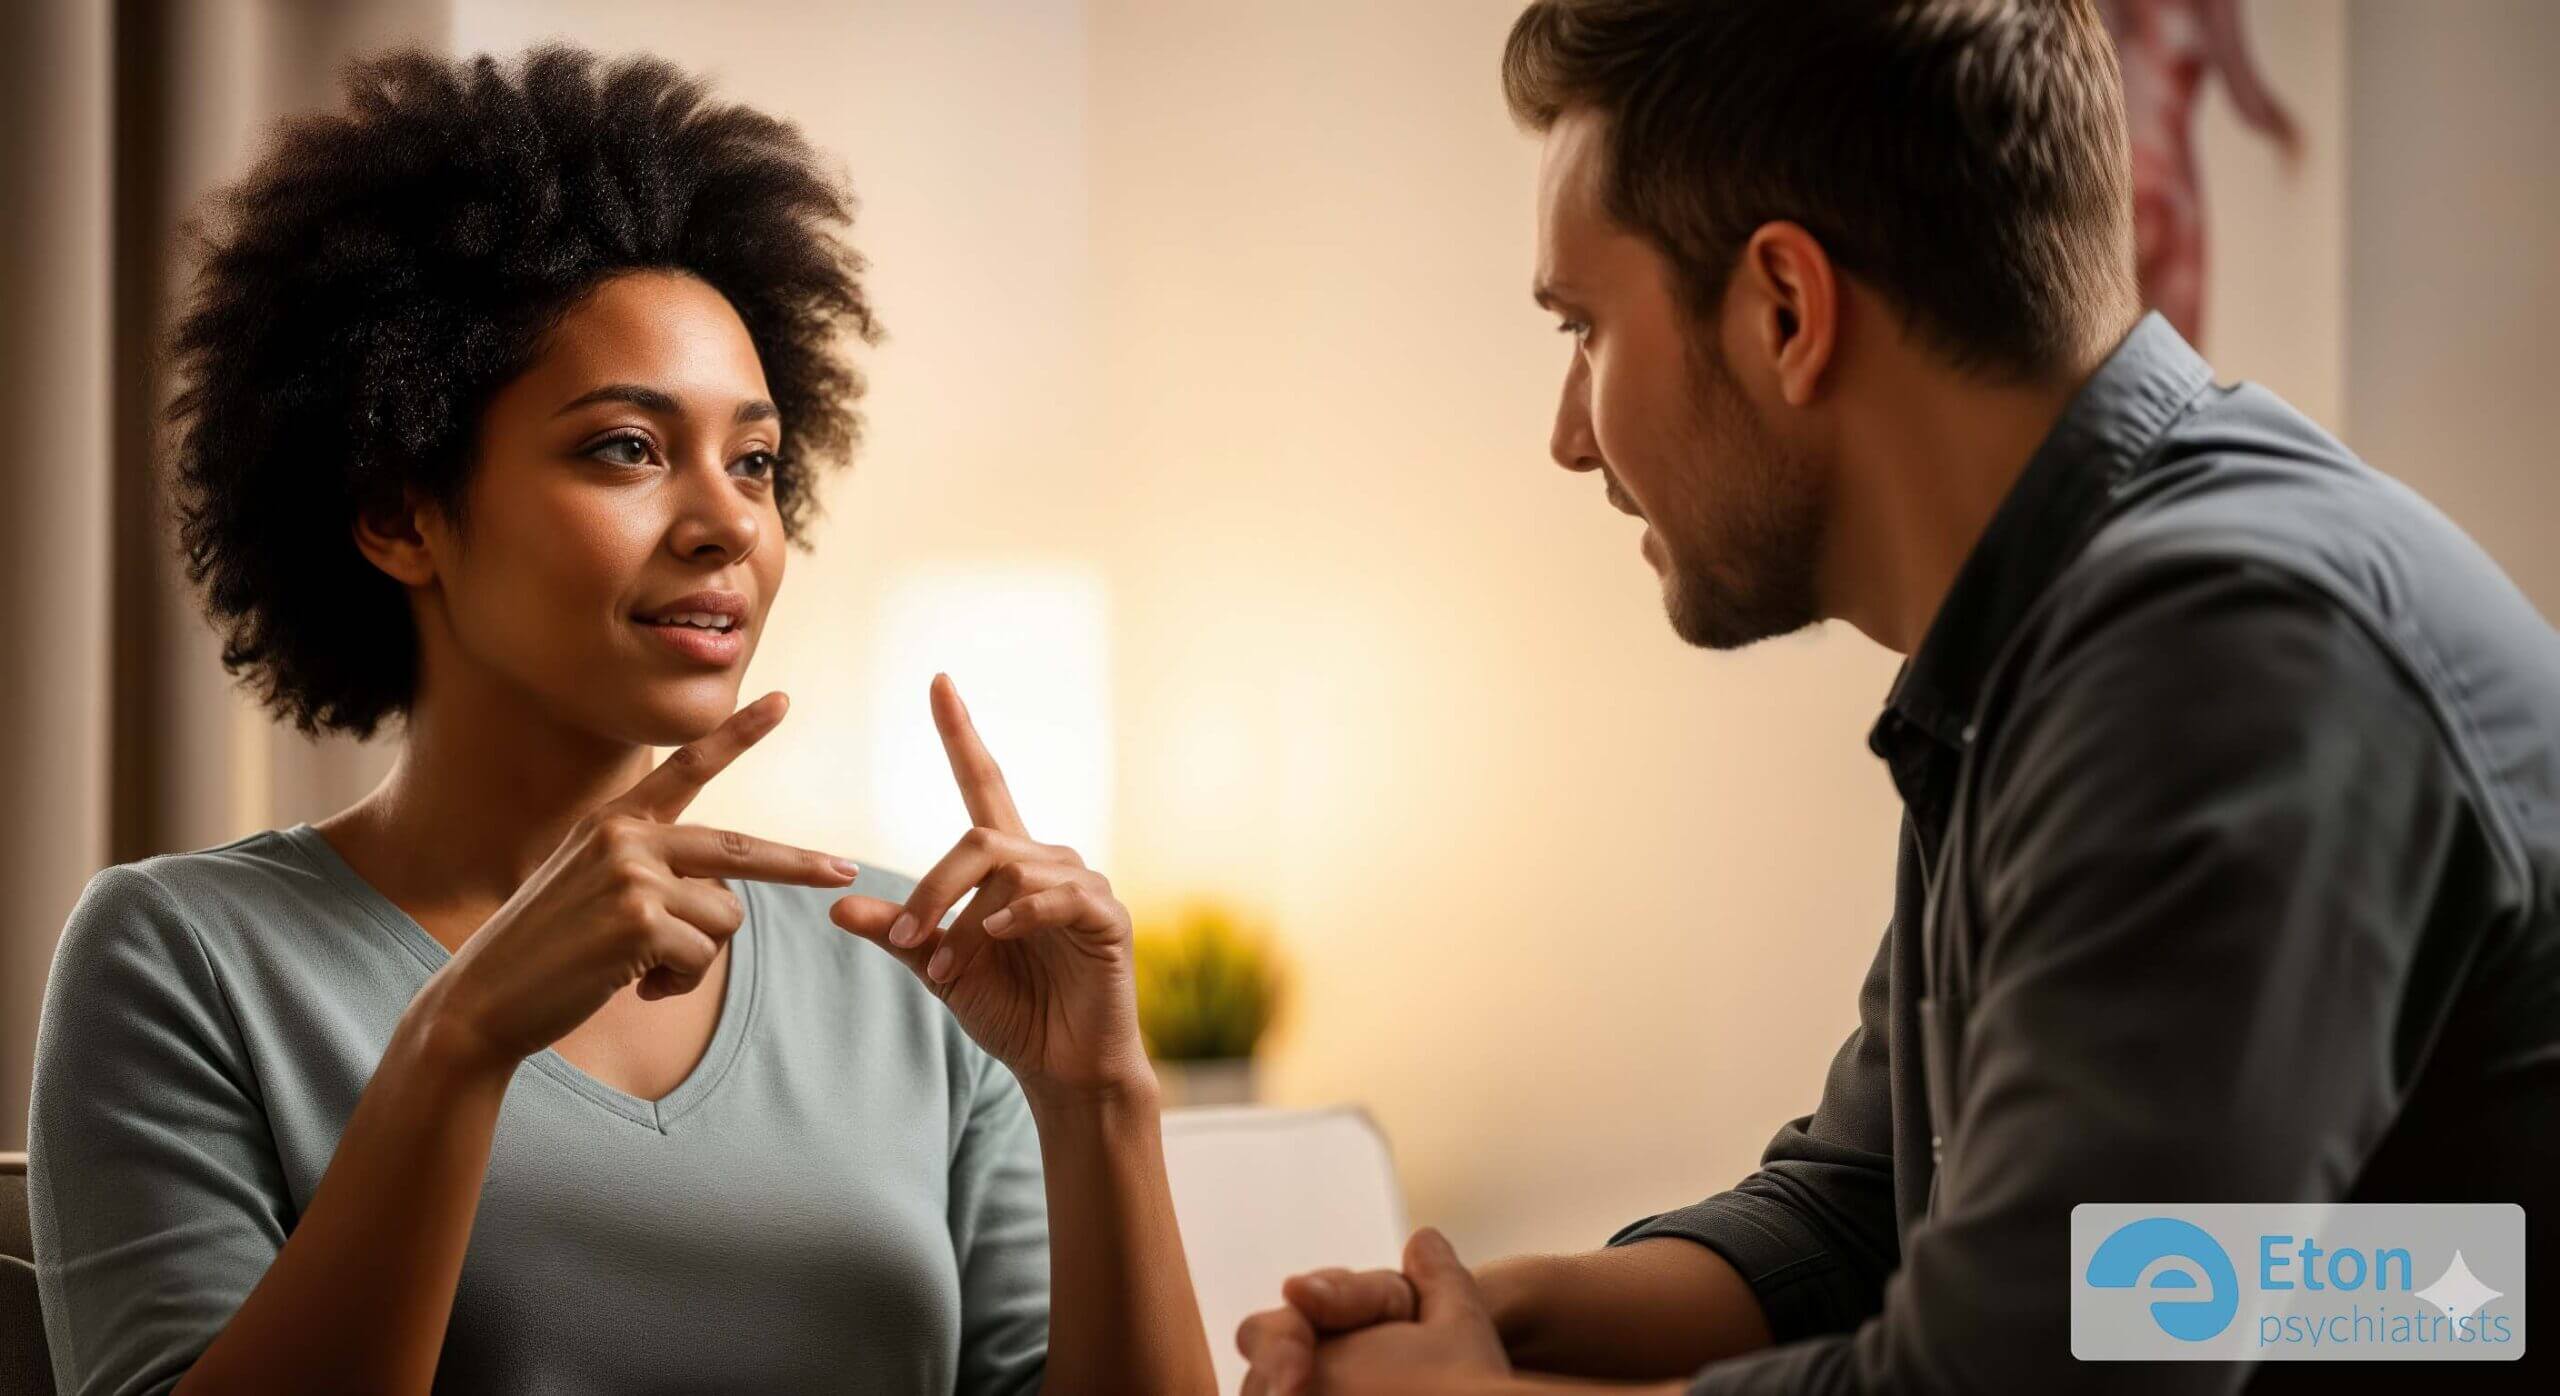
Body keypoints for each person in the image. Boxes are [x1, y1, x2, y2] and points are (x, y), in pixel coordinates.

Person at [1236, 1, 2560, 1392]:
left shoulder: (2224, 653)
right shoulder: (2052, 643)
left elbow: (2026, 1373)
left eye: (1582, 330)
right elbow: (1863, 1212)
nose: (1571, 439)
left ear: (1787, 312)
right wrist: (1487, 1314)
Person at [27, 46, 1215, 1395]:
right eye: (627, 450)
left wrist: (1101, 1100)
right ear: (398, 513)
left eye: (755, 461)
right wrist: (458, 1044)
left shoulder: (925, 979)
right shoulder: (184, 962)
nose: (726, 524)